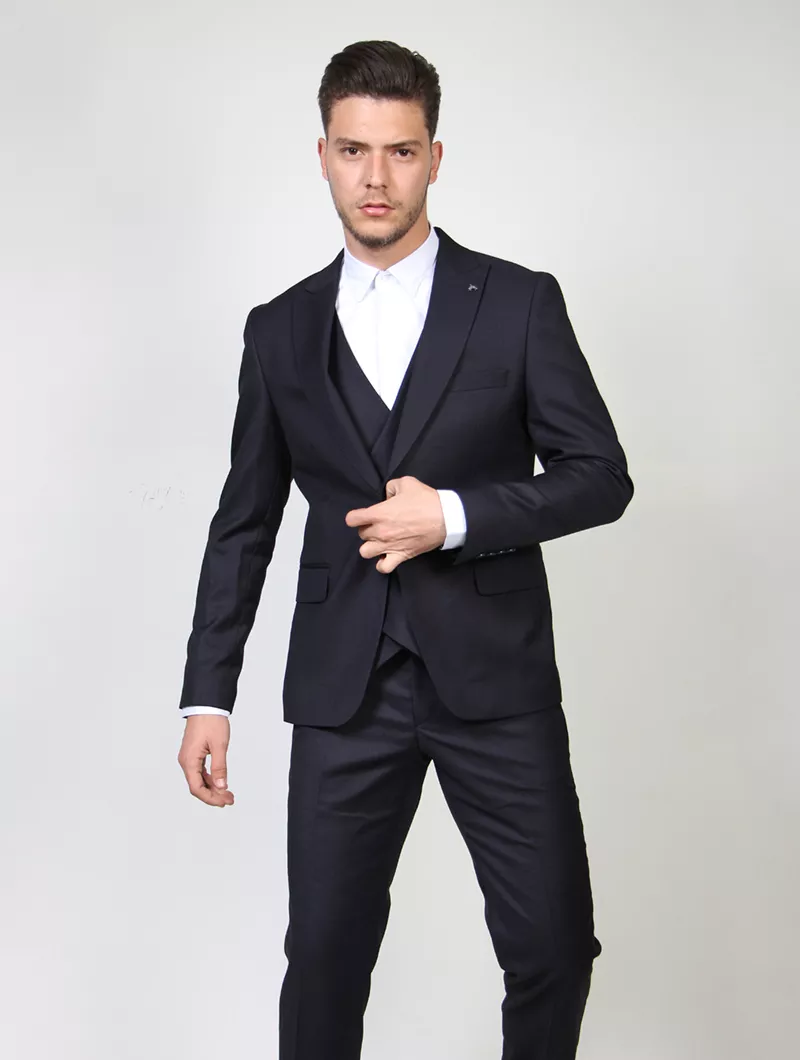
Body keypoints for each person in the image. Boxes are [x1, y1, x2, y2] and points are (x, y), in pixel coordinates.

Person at [176, 38, 634, 1060]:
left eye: (399, 150)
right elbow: (244, 521)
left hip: (495, 680)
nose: (374, 177)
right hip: (344, 689)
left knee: (555, 947)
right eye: (353, 150)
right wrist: (208, 695)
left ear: (434, 157)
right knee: (323, 959)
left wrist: (456, 516)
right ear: (323, 156)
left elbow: (599, 474)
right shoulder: (279, 329)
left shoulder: (517, 301)